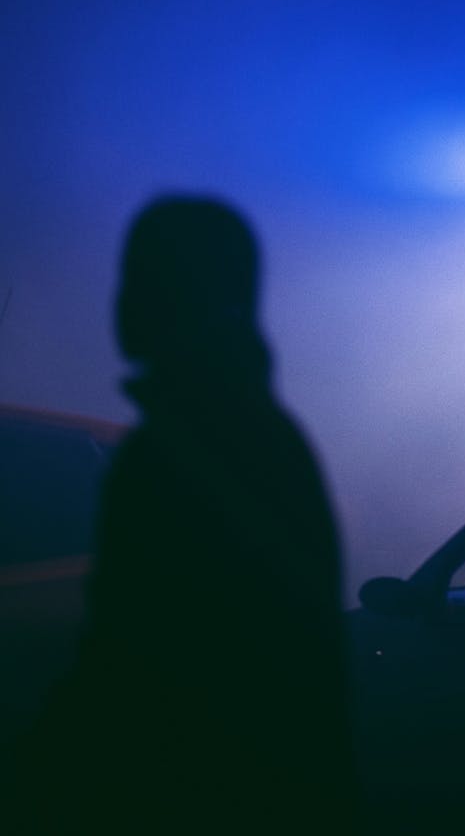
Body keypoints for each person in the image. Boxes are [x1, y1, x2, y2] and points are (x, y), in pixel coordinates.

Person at [19, 194, 358, 834]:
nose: (120, 302)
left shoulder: (176, 452)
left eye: (140, 280)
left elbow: (132, 667)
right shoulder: (263, 435)